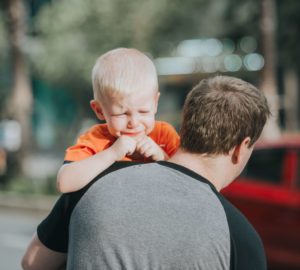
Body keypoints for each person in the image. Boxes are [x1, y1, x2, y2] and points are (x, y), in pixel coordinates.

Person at [22, 75, 270, 270]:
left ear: (186, 124)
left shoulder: (93, 184)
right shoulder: (240, 237)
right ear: (241, 148)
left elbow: (32, 263)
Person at [57, 48, 180, 193]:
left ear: (155, 103)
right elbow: (64, 184)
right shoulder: (95, 140)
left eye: (143, 111)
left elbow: (188, 182)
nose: (134, 123)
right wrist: (112, 153)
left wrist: (162, 157)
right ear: (99, 110)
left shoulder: (164, 135)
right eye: (121, 114)